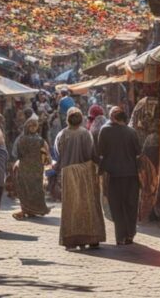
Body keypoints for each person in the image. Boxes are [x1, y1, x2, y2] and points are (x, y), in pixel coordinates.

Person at [55, 107, 105, 250]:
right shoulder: (85, 133)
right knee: (88, 204)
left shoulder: (62, 134)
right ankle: (92, 238)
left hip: (68, 173)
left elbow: (58, 153)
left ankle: (72, 240)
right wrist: (101, 163)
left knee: (71, 207)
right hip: (85, 173)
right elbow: (90, 153)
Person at [97, 107, 142, 245]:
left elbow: (100, 151)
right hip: (131, 174)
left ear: (113, 118)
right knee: (131, 204)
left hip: (112, 174)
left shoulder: (104, 131)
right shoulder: (132, 132)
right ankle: (130, 234)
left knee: (116, 206)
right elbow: (138, 152)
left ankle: (120, 236)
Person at [12, 117, 51, 220]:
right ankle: (36, 209)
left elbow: (17, 154)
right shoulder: (40, 140)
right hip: (37, 167)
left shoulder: (21, 139)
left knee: (25, 188)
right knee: (36, 188)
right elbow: (47, 153)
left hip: (24, 166)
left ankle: (26, 209)